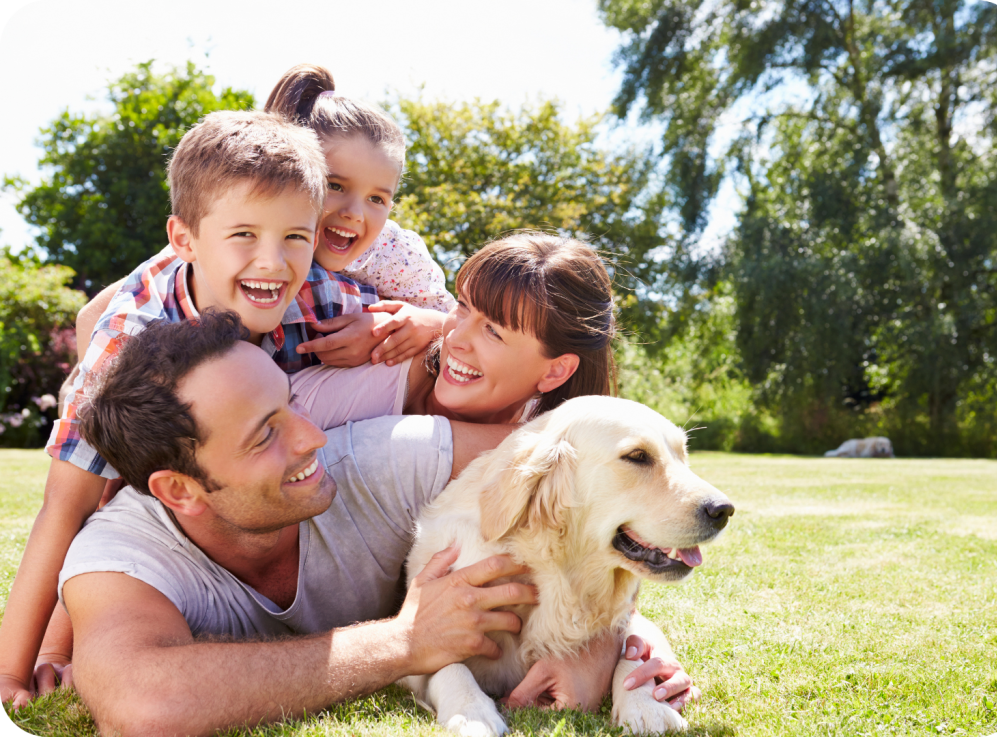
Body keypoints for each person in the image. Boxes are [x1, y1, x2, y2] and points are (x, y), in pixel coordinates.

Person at [56, 310, 622, 735]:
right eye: (265, 435)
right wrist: (403, 642)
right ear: (179, 490)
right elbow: (143, 705)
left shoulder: (387, 458)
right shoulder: (122, 553)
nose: (313, 437)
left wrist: (602, 642)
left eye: (291, 405)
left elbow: (595, 482)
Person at [0, 110, 397, 707]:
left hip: (259, 453)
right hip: (168, 455)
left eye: (295, 236)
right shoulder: (130, 339)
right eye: (245, 235)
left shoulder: (319, 290)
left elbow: (432, 345)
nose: (273, 262)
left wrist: (425, 325)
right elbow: (68, 504)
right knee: (113, 486)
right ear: (184, 239)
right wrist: (21, 666)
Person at [263, 63, 456, 369]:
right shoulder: (250, 228)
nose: (354, 213)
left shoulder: (394, 253)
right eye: (335, 185)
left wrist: (401, 325)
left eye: (376, 198)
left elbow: (451, 322)